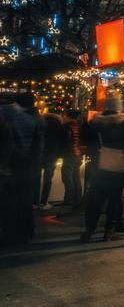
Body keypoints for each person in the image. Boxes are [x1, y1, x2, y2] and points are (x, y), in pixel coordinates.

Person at [81, 96, 124, 242]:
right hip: (117, 167)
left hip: (97, 165)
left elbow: (85, 140)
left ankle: (89, 229)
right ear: (119, 107)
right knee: (115, 200)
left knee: (95, 199)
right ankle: (109, 231)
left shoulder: (95, 122)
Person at [0, 94, 43, 246]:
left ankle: (9, 235)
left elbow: (7, 144)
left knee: (8, 203)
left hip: (9, 166)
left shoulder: (4, 116)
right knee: (24, 202)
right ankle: (25, 234)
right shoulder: (33, 119)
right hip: (27, 167)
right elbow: (38, 147)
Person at [36, 111, 69, 208]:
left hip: (40, 154)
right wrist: (60, 154)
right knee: (48, 179)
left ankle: (34, 201)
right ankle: (44, 201)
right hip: (52, 155)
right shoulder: (60, 127)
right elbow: (65, 142)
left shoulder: (40, 124)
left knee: (36, 179)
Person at [61, 109, 83, 206]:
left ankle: (69, 199)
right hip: (78, 154)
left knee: (67, 177)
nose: (63, 117)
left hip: (69, 154)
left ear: (68, 116)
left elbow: (65, 141)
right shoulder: (80, 126)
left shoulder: (66, 127)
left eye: (65, 115)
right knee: (76, 177)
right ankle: (77, 199)